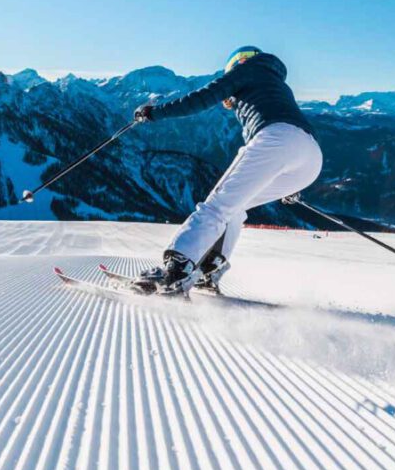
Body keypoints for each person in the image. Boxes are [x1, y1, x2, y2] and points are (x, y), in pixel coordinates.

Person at [131, 46, 322, 295]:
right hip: (310, 156)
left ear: (237, 64)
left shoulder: (248, 70)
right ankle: (207, 272)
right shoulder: (276, 82)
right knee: (234, 207)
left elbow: (200, 99)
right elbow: (297, 133)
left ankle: (175, 271)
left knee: (217, 206)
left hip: (276, 139)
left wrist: (154, 113)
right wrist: (290, 181)